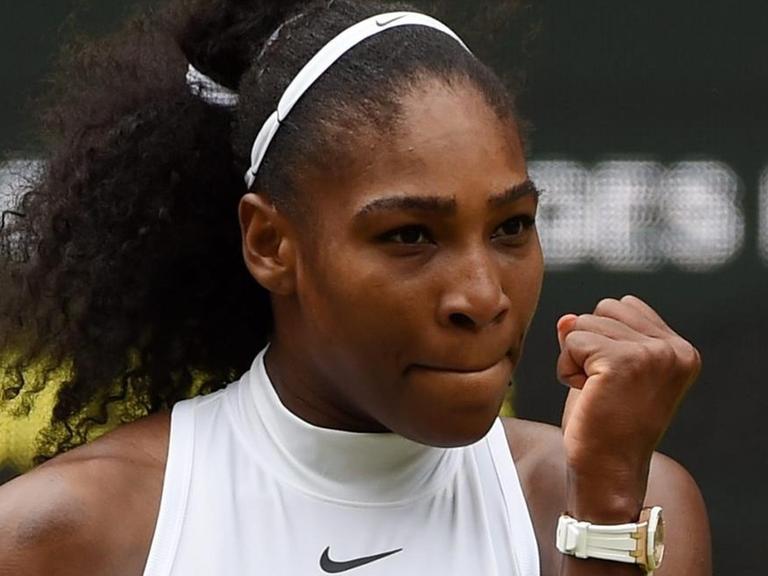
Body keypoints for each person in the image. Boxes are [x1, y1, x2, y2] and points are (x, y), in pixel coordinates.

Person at [0, 0, 711, 574]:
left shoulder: (629, 504)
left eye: (511, 227)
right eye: (409, 235)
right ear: (271, 245)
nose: (482, 295)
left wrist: (606, 511)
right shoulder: (65, 535)